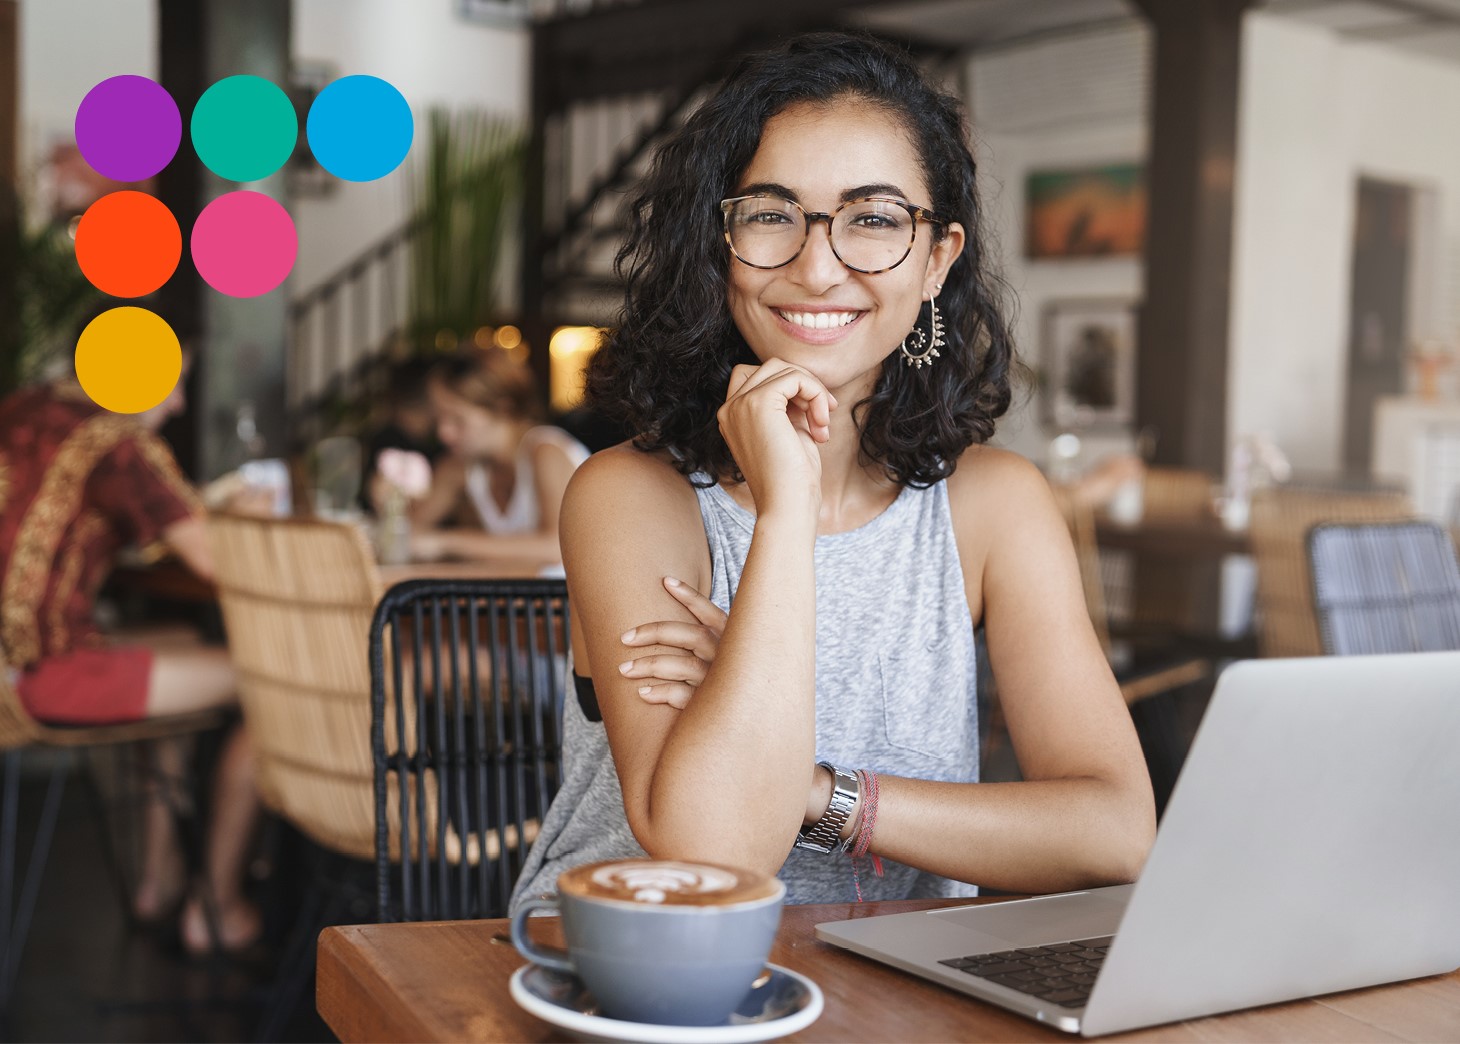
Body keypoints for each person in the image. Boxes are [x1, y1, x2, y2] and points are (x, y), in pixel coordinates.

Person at [510, 32, 1154, 908]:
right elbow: (714, 849)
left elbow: (1114, 833)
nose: (817, 269)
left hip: (901, 984)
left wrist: (816, 792)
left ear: (937, 260)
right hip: (642, 978)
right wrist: (785, 511)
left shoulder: (994, 506)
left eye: (874, 220)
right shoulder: (629, 496)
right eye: (771, 214)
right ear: (720, 244)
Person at [0, 366, 261, 954]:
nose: (177, 403)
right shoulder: (117, 442)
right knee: (274, 680)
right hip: (47, 676)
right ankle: (218, 906)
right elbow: (218, 563)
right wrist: (253, 517)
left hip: (8, 667)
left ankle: (157, 879)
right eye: (171, 382)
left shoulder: (24, 409)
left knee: (184, 643)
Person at [406, 349, 589, 566]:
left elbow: (556, 547)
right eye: (439, 419)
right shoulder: (461, 465)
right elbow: (410, 532)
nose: (443, 433)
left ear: (503, 408)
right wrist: (391, 501)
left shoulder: (546, 451)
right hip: (518, 596)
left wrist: (446, 541)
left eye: (457, 420)